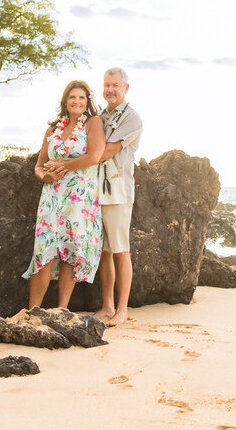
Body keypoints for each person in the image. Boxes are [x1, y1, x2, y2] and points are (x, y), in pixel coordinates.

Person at [22, 80, 106, 310]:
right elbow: (39, 165)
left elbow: (95, 156)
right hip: (52, 197)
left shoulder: (93, 123)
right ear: (65, 101)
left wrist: (62, 167)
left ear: (88, 101)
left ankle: (61, 310)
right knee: (44, 251)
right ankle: (32, 312)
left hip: (79, 198)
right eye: (72, 98)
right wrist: (44, 177)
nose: (77, 102)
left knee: (71, 250)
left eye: (81, 98)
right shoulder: (53, 129)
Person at [94, 67, 143, 326]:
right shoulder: (100, 115)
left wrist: (69, 163)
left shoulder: (132, 118)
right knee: (104, 251)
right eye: (106, 85)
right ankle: (107, 306)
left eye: (115, 85)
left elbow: (106, 150)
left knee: (121, 250)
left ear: (125, 88)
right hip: (95, 190)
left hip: (118, 190)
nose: (110, 89)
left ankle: (122, 309)